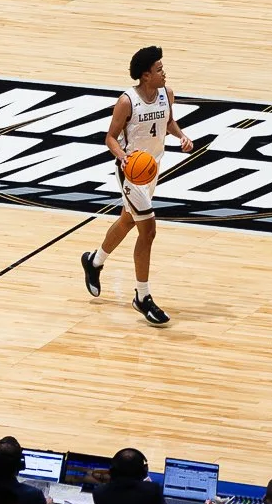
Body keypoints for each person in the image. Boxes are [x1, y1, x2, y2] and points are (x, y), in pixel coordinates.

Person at [81, 46, 194, 327]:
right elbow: (110, 137)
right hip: (130, 172)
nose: (163, 72)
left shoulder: (167, 94)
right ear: (145, 76)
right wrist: (123, 156)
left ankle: (94, 261)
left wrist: (182, 136)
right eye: (158, 69)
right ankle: (142, 297)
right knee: (149, 228)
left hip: (152, 170)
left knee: (127, 221)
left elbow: (168, 123)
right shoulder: (126, 101)